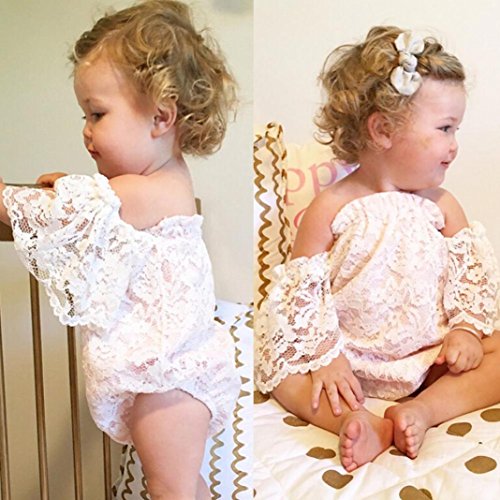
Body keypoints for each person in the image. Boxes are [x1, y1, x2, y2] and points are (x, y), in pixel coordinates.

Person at [0, 1, 240, 497]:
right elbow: (102, 206)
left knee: (169, 490)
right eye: (84, 115)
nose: (86, 130)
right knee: (181, 487)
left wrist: (7, 197)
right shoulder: (160, 183)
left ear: (160, 116)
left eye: (98, 113)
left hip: (169, 382)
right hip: (171, 379)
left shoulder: (150, 191)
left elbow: (70, 214)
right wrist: (73, 186)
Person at [255, 25, 500, 473]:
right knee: (281, 372)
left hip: (429, 358)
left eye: (456, 130)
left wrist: (465, 329)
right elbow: (302, 294)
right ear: (383, 129)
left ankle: (422, 411)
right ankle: (357, 421)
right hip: (349, 363)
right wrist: (326, 356)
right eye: (445, 129)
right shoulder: (331, 207)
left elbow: (472, 280)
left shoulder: (443, 206)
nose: (454, 146)